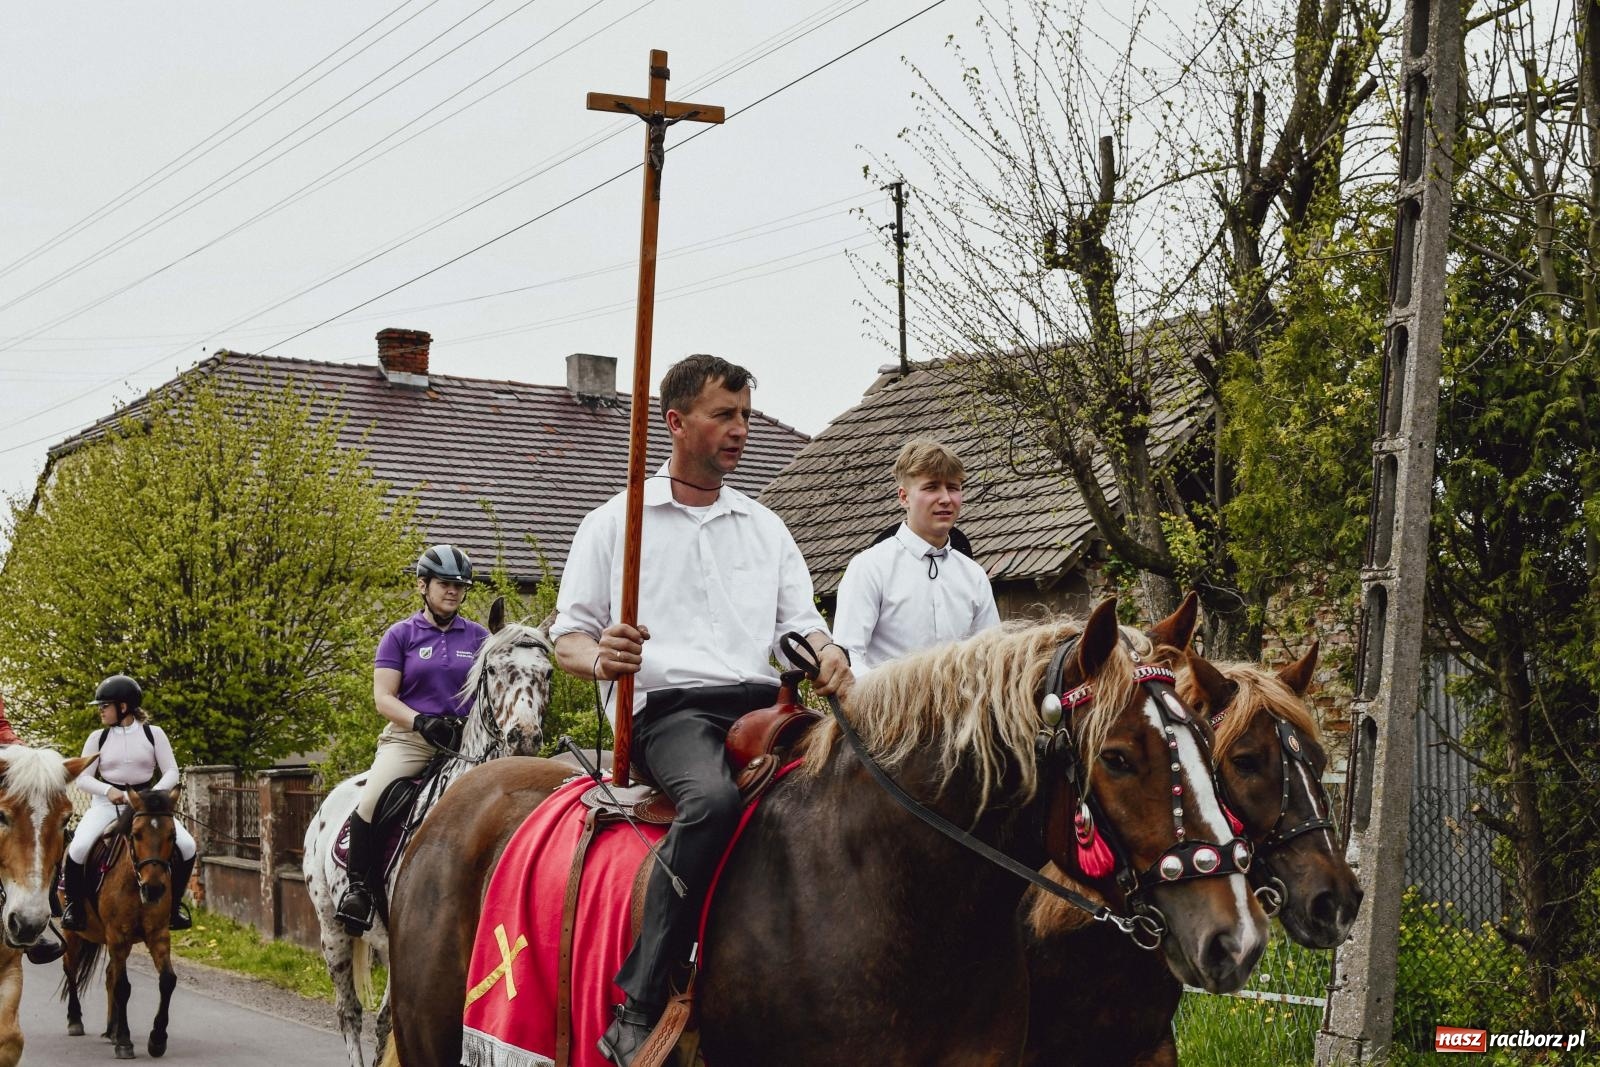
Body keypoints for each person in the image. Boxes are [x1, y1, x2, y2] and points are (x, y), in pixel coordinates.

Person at [551, 354, 853, 1067]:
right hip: (671, 714)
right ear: (677, 421)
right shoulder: (613, 522)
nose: (741, 429)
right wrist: (601, 656)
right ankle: (642, 995)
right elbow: (565, 635)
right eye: (725, 414)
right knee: (712, 801)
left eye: (746, 414)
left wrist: (828, 651)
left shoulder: (766, 527)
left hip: (767, 707)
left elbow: (803, 623)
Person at [334, 544, 489, 936]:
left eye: (460, 586)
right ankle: (358, 891)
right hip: (410, 740)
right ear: (423, 585)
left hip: (466, 743)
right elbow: (384, 697)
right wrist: (421, 722)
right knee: (371, 798)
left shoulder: (479, 637)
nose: (453, 591)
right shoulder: (400, 635)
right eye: (444, 584)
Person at [832, 438, 1000, 672]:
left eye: (953, 487)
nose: (945, 499)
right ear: (904, 497)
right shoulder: (869, 567)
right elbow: (849, 658)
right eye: (931, 487)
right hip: (886, 707)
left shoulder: (974, 575)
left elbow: (991, 657)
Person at [62, 674, 197, 932]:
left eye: (105, 706)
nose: (101, 711)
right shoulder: (97, 738)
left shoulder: (153, 734)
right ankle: (74, 907)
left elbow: (171, 772)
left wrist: (152, 795)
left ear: (123, 707)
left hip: (148, 806)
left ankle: (175, 907)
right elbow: (82, 780)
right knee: (78, 848)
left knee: (188, 845)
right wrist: (108, 789)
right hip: (106, 805)